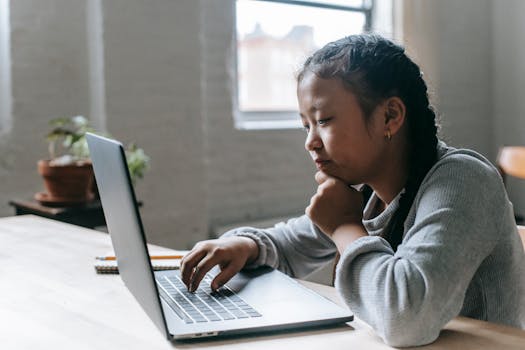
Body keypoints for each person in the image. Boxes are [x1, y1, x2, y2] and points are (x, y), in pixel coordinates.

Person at [180, 34, 525, 347]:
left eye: (324, 120)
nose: (310, 142)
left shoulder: (462, 181)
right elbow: (288, 247)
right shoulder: (371, 192)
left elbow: (406, 317)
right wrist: (244, 245)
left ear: (390, 116)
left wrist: (345, 228)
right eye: (306, 125)